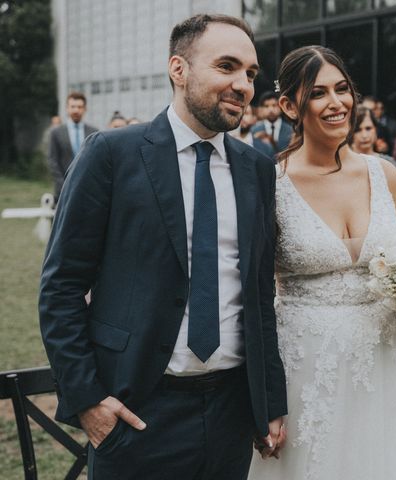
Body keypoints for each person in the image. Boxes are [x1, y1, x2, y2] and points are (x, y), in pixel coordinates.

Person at [39, 14, 287, 479]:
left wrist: (269, 401)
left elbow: (258, 297)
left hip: (232, 412)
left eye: (251, 74)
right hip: (137, 411)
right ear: (179, 68)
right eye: (227, 66)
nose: (243, 85)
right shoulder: (110, 154)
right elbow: (61, 288)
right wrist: (90, 402)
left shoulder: (257, 170)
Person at [248, 45, 396, 480]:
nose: (337, 103)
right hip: (305, 365)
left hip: (383, 356)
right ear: (288, 105)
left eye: (342, 89)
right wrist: (264, 400)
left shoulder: (385, 173)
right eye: (318, 93)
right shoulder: (270, 183)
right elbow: (255, 293)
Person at [47, 92, 98, 200]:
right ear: (67, 108)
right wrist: (63, 185)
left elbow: (97, 161)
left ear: (85, 109)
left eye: (79, 107)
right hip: (62, 190)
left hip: (89, 189)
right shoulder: (56, 133)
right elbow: (53, 161)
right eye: (73, 106)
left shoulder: (94, 132)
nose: (76, 110)